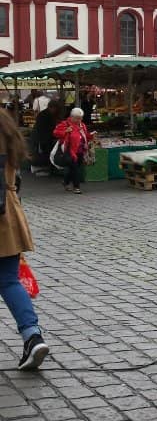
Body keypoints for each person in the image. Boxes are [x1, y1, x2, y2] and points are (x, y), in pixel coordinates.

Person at [0, 110, 49, 370]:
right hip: (7, 210)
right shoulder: (6, 126)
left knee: (7, 280)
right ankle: (32, 336)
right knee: (8, 280)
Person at [53, 107, 92, 194]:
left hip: (80, 150)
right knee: (75, 169)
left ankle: (65, 182)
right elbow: (55, 133)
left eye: (81, 118)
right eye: (77, 118)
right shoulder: (65, 124)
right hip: (70, 150)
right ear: (71, 117)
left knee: (74, 168)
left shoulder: (82, 125)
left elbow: (84, 136)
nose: (79, 120)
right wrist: (65, 131)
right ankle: (76, 187)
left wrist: (91, 136)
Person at [31, 101, 60, 175]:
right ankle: (44, 169)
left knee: (44, 154)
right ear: (52, 107)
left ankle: (44, 169)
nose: (56, 110)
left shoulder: (45, 114)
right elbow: (48, 128)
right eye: (55, 108)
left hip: (43, 138)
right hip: (43, 139)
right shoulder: (45, 115)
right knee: (44, 154)